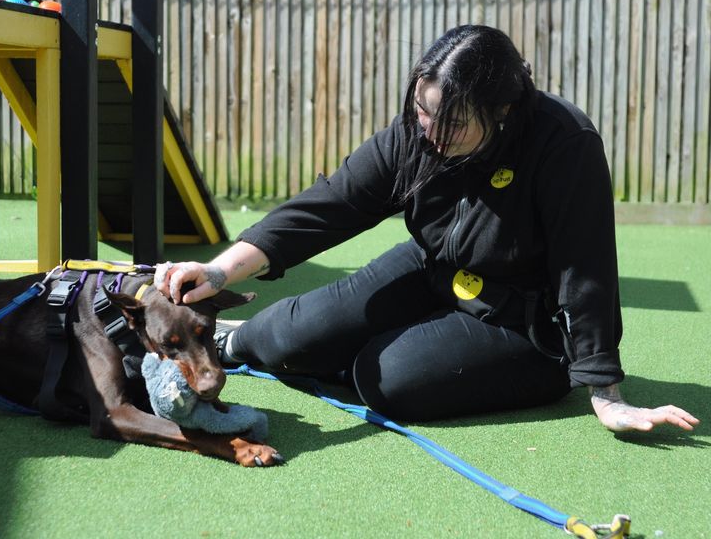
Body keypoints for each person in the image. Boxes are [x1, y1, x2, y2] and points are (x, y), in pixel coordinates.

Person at [154, 25, 698, 433]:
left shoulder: (565, 144)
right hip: (434, 270)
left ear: (503, 111)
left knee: (387, 379)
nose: (432, 133)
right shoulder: (421, 129)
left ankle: (387, 354)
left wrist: (606, 393)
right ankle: (241, 342)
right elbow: (334, 202)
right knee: (281, 339)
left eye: (454, 122)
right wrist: (219, 269)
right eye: (422, 111)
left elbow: (587, 269)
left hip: (523, 323)